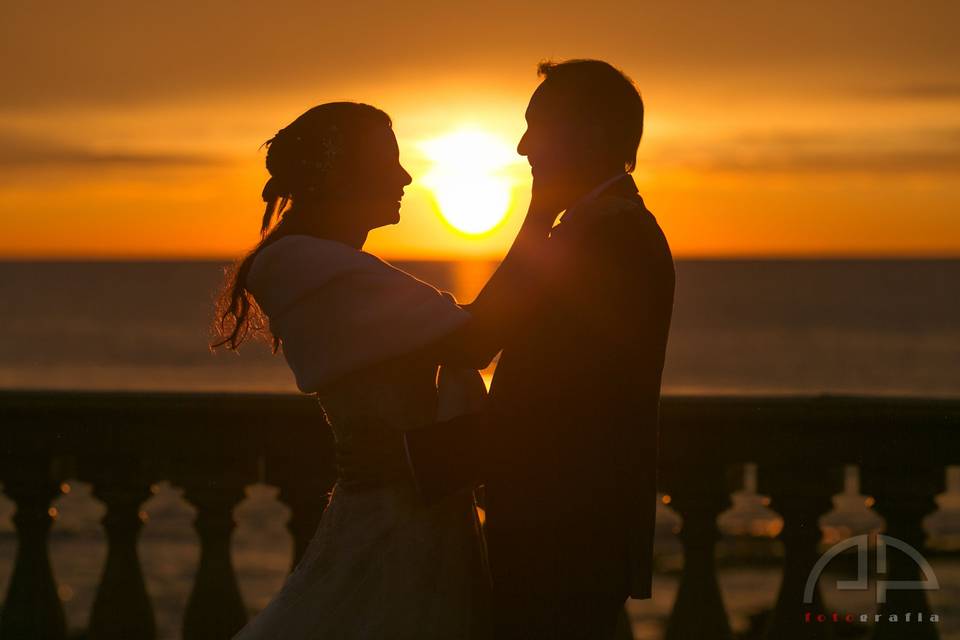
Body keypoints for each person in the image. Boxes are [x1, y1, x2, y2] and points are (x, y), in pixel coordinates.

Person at [347, 59, 676, 639]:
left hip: (565, 533)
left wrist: (411, 459)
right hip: (559, 528)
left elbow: (551, 398)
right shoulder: (590, 230)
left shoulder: (611, 241)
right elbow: (487, 340)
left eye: (537, 126)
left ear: (593, 133)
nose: (523, 147)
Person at [213, 102, 491, 640]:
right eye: (389, 161)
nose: (406, 176)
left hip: (411, 510)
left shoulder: (328, 266)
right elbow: (475, 339)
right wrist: (542, 223)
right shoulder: (308, 265)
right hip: (393, 521)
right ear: (343, 176)